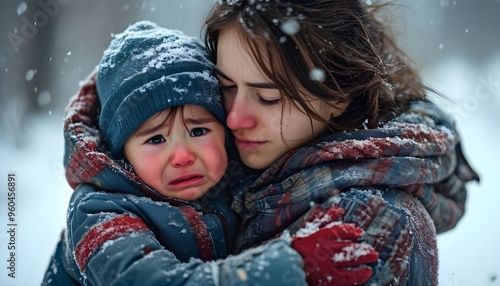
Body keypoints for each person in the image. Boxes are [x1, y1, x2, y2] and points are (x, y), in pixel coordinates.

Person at [43, 20, 378, 286]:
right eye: (156, 140)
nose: (183, 156)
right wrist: (289, 265)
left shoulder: (235, 179)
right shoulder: (100, 214)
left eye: (199, 131)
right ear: (123, 153)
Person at [203, 0, 479, 285]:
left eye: (269, 98)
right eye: (227, 87)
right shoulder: (218, 166)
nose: (235, 119)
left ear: (337, 95)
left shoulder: (364, 221)